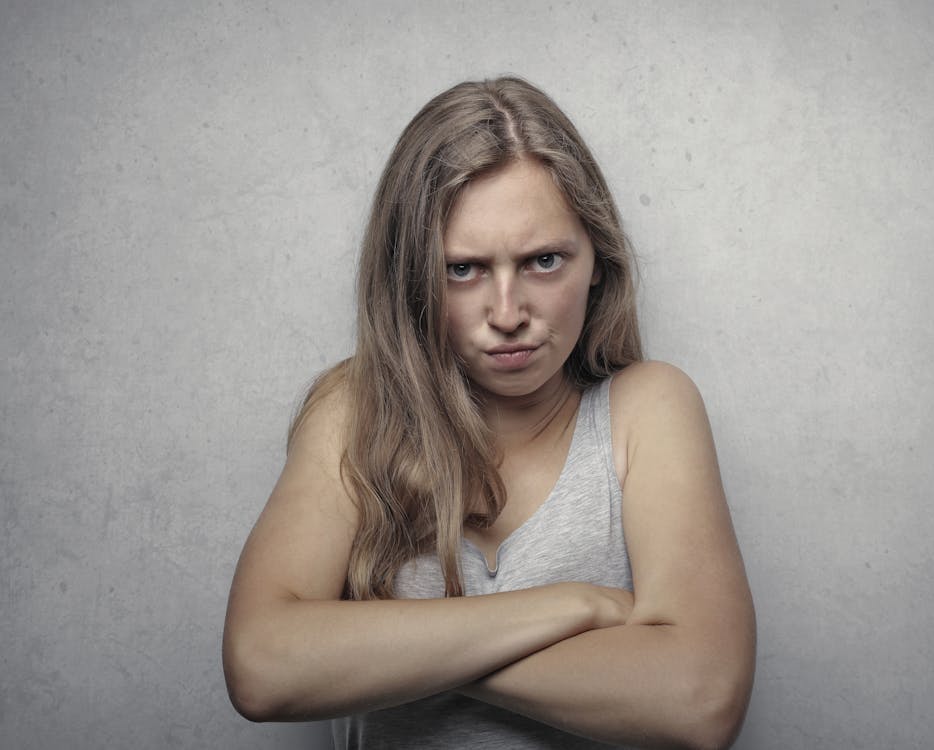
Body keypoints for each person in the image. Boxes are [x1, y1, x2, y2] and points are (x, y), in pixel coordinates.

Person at [222, 76, 755, 749]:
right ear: (410, 274)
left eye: (543, 261)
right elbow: (262, 666)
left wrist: (376, 652)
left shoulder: (647, 409)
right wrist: (572, 606)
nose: (507, 314)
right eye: (463, 269)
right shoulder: (353, 413)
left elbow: (699, 699)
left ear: (597, 260)